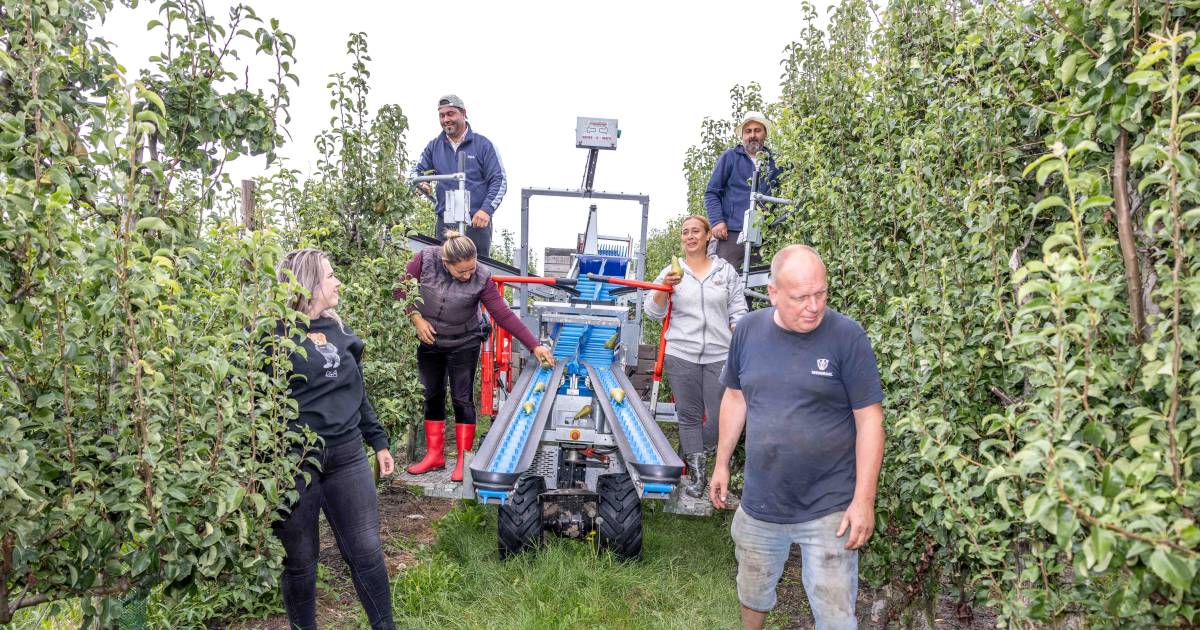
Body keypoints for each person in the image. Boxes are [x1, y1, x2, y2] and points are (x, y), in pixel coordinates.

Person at [709, 245, 885, 630]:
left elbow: (870, 420)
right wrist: (721, 464)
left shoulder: (847, 337)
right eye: (801, 297)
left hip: (830, 505)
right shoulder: (749, 332)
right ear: (773, 293)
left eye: (820, 293)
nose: (814, 306)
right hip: (761, 500)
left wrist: (863, 501)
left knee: (836, 614)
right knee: (753, 591)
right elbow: (735, 397)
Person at [271, 249, 396, 630]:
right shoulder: (269, 336)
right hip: (295, 462)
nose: (337, 282)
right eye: (329, 276)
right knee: (301, 560)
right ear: (307, 283)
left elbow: (357, 391)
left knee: (366, 551)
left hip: (346, 456)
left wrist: (378, 441)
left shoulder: (340, 333)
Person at [395, 231, 555, 481]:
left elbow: (503, 314)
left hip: (464, 342)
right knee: (431, 394)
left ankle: (463, 458)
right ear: (446, 263)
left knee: (461, 398)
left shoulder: (480, 278)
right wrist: (417, 319)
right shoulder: (424, 260)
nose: (468, 274)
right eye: (462, 271)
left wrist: (534, 345)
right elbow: (401, 290)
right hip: (430, 339)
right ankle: (435, 455)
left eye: (471, 268)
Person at [644, 215, 747, 498]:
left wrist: (738, 334)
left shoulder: (724, 272)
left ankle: (692, 450)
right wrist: (665, 290)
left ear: (707, 237)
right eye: (685, 233)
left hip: (719, 353)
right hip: (681, 353)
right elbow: (652, 312)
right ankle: (698, 475)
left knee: (717, 418)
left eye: (695, 232)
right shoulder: (672, 272)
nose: (690, 237)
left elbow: (738, 310)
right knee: (688, 415)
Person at [412, 94, 507, 258]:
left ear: (463, 113)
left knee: (477, 271)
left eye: (450, 114)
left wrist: (486, 210)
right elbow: (416, 173)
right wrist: (423, 183)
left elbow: (499, 181)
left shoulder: (483, 145)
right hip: (446, 222)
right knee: (445, 270)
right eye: (442, 116)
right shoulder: (434, 146)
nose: (446, 119)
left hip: (476, 223)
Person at [704, 111, 781, 269]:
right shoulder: (730, 157)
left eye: (757, 130)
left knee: (757, 281)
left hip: (764, 233)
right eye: (748, 131)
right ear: (742, 135)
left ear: (765, 134)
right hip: (732, 233)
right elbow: (712, 192)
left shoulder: (776, 162)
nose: (752, 135)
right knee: (724, 279)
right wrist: (717, 221)